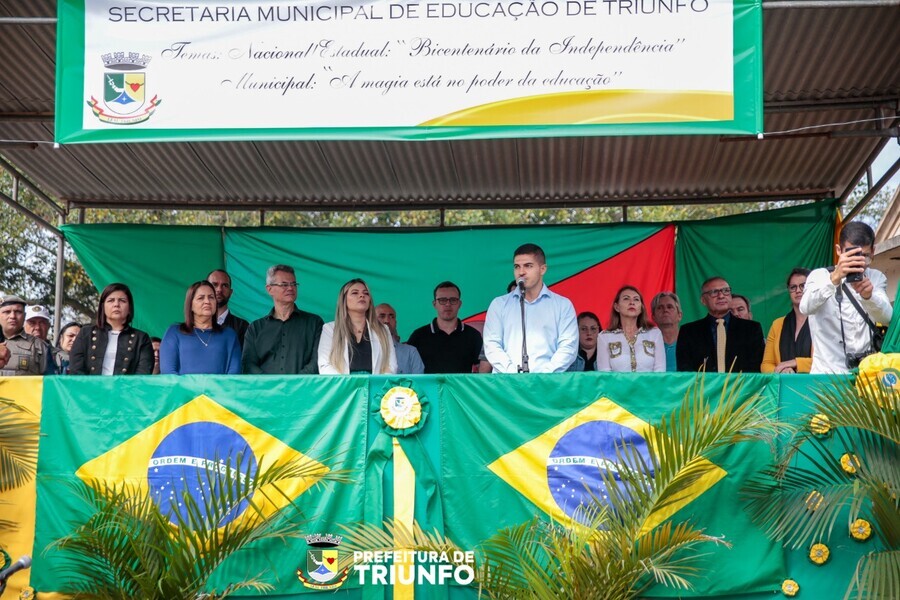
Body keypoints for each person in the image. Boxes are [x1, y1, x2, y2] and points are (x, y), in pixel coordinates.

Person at [801, 222, 892, 374]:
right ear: (839, 251)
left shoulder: (876, 278)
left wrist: (869, 297)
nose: (858, 262)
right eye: (852, 255)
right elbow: (805, 307)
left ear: (873, 252)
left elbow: (887, 318)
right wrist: (833, 280)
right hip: (827, 376)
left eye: (865, 256)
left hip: (866, 375)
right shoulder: (819, 276)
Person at [483, 243, 578, 373]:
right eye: (517, 267)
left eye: (528, 266)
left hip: (547, 382)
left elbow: (568, 347)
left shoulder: (563, 305)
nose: (521, 272)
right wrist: (513, 374)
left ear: (542, 269)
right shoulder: (499, 305)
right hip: (507, 382)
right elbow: (492, 345)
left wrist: (542, 377)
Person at [242, 265, 324, 374]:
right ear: (269, 289)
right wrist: (269, 382)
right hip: (265, 385)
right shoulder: (255, 328)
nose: (290, 288)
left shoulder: (314, 323)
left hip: (303, 384)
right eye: (284, 284)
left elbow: (317, 361)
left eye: (293, 284)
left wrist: (296, 381)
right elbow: (248, 364)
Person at [676, 277, 765, 373]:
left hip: (742, 382)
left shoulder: (751, 329)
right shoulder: (688, 331)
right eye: (714, 292)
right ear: (703, 300)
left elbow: (756, 368)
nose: (721, 296)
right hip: (703, 383)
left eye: (726, 291)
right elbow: (685, 369)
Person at [69, 283, 154, 375]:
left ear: (129, 307)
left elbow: (143, 374)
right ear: (103, 306)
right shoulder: (86, 333)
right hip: (90, 385)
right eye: (111, 300)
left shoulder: (141, 338)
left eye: (122, 300)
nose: (116, 304)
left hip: (127, 385)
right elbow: (76, 370)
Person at [160, 280, 242, 375]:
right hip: (182, 386)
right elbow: (168, 373)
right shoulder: (174, 333)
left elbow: (234, 374)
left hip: (221, 386)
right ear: (190, 305)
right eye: (201, 298)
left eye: (211, 297)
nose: (207, 301)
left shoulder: (229, 335)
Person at [318, 279, 397, 374]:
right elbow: (325, 365)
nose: (362, 295)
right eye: (355, 293)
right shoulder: (330, 329)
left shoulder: (383, 330)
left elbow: (391, 366)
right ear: (344, 300)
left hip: (376, 383)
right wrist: (347, 383)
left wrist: (377, 383)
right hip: (342, 383)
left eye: (366, 293)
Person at [407, 281, 483, 373]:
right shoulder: (418, 336)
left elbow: (482, 369)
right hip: (428, 383)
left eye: (453, 300)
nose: (448, 304)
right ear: (434, 304)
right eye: (442, 300)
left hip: (461, 383)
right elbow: (407, 367)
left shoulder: (473, 335)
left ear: (459, 304)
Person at [597, 287, 665, 372]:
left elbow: (660, 370)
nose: (632, 303)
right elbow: (604, 374)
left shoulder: (654, 334)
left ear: (641, 308)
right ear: (617, 307)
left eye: (636, 299)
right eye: (626, 298)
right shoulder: (604, 337)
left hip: (650, 381)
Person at [762, 268, 813, 374]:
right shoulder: (777, 325)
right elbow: (766, 364)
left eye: (803, 286)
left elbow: (827, 361)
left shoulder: (822, 322)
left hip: (816, 383)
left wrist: (795, 363)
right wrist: (782, 371)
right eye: (793, 287)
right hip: (783, 382)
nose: (798, 290)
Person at [0, 295, 55, 376]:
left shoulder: (39, 346)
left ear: (24, 316)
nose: (12, 316)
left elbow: (50, 380)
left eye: (18, 312)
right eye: (7, 312)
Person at [375, 303, 424, 375]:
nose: (387, 320)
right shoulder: (365, 349)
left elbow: (419, 380)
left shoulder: (410, 352)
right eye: (382, 316)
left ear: (395, 322)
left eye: (391, 317)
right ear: (371, 321)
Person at [207, 269, 250, 346]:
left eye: (224, 285)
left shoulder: (242, 327)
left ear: (230, 292)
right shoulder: (194, 325)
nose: (219, 289)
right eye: (214, 285)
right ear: (205, 289)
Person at [651, 292, 682, 372]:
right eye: (660, 308)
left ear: (679, 315)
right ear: (653, 317)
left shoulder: (690, 344)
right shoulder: (648, 346)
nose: (665, 310)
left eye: (670, 307)